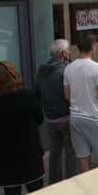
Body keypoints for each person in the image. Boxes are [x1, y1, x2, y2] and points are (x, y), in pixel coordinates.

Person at [0, 62, 44, 195]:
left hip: (4, 155)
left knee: (11, 194)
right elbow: (39, 119)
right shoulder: (27, 96)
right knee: (38, 193)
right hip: (29, 152)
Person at [64, 33, 98, 173]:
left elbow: (67, 95)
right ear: (93, 47)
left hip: (75, 117)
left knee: (83, 156)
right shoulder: (97, 68)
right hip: (93, 115)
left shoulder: (68, 68)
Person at [35, 39, 76, 184]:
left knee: (55, 151)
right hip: (66, 115)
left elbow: (38, 93)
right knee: (71, 151)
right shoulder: (65, 70)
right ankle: (71, 181)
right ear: (64, 53)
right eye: (68, 50)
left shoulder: (41, 71)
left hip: (50, 117)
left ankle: (55, 182)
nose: (70, 53)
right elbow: (71, 94)